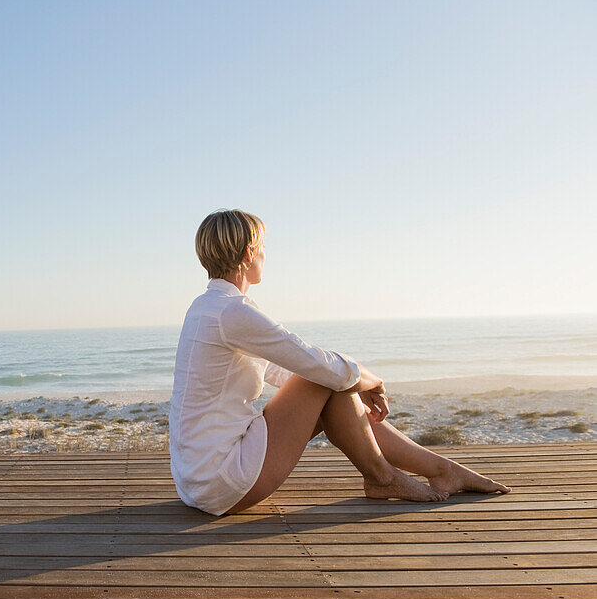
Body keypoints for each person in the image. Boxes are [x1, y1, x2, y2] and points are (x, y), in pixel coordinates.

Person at [168, 209, 510, 515]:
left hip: (197, 479)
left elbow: (278, 368)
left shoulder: (206, 308)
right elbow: (314, 364)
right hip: (221, 478)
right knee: (324, 377)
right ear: (249, 253)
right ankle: (384, 477)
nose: (265, 255)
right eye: (263, 248)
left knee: (331, 383)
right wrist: (371, 381)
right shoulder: (233, 312)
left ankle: (439, 470)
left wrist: (348, 385)